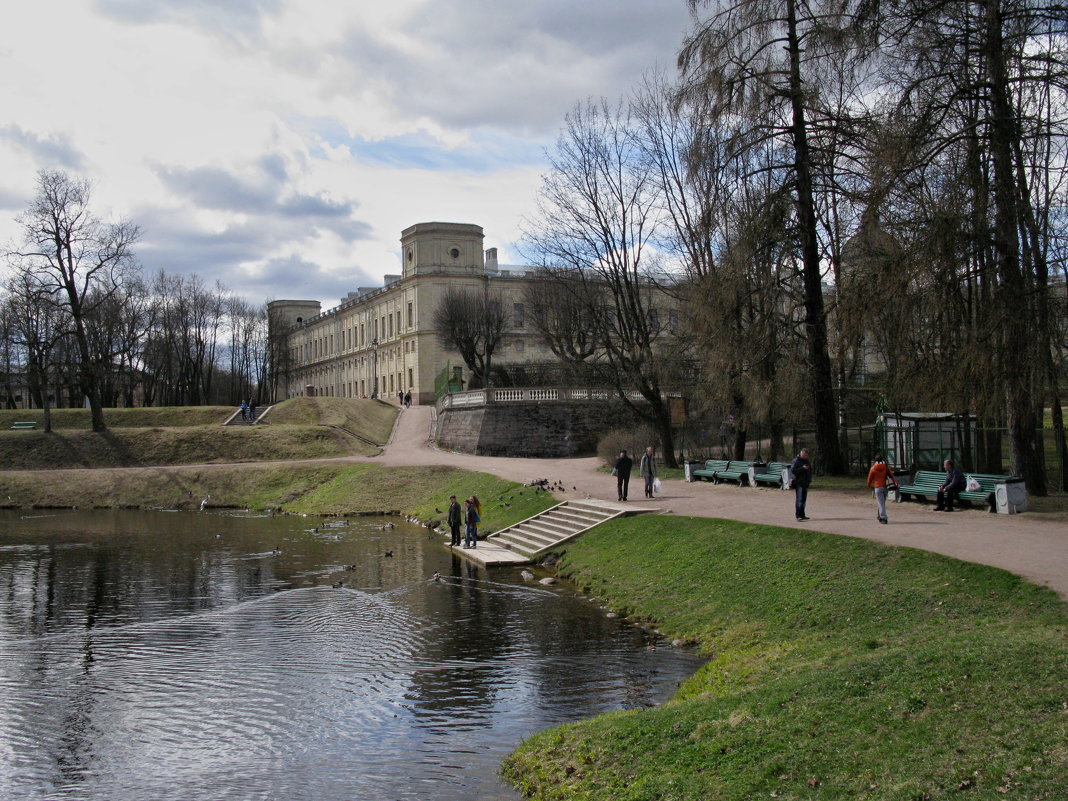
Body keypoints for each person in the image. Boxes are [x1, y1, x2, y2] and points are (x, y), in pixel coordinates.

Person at [866, 452, 896, 524]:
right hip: (885, 486)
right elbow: (891, 475)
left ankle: (883, 518)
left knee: (881, 503)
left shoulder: (873, 468)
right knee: (882, 503)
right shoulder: (885, 467)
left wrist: (869, 485)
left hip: (877, 487)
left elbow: (870, 478)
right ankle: (880, 515)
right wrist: (894, 483)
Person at [790, 448, 812, 521]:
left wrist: (809, 480)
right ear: (801, 453)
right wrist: (802, 468)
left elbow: (810, 470)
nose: (805, 456)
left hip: (805, 482)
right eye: (804, 455)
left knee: (803, 500)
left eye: (806, 455)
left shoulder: (807, 461)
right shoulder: (796, 460)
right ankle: (798, 515)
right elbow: (793, 470)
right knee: (799, 499)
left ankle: (802, 514)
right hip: (799, 482)